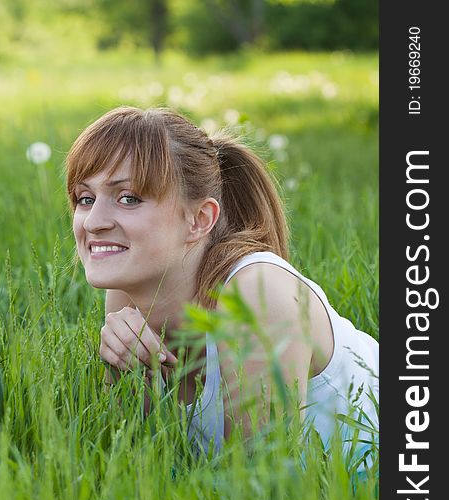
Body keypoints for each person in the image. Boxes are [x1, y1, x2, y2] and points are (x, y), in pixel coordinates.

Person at [66, 106, 378, 463]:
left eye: (128, 199)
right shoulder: (127, 292)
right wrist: (123, 372)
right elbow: (136, 464)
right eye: (85, 198)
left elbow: (261, 487)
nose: (93, 222)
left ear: (200, 219)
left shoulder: (256, 295)